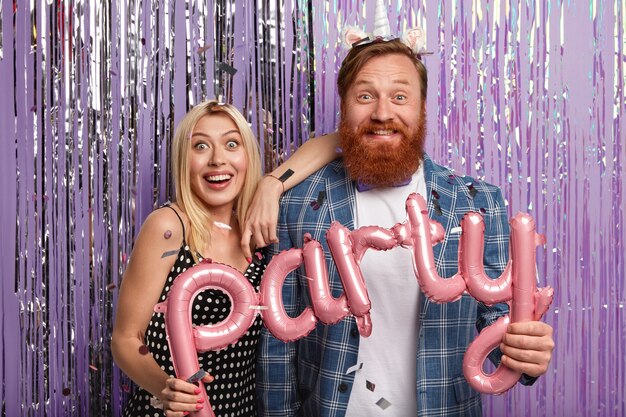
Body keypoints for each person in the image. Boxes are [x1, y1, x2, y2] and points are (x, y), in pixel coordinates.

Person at [254, 38, 554, 417]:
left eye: (399, 97)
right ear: (344, 108)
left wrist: (524, 350)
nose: (382, 113)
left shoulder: (478, 202)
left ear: (422, 108)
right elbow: (279, 343)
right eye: (365, 97)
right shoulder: (297, 205)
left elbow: (499, 323)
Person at [111, 100, 339, 417]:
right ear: (183, 160)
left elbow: (336, 142)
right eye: (200, 146)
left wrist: (272, 184)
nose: (218, 160)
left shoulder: (256, 230)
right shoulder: (169, 227)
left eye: (232, 144)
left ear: (247, 156)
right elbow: (125, 338)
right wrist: (167, 389)